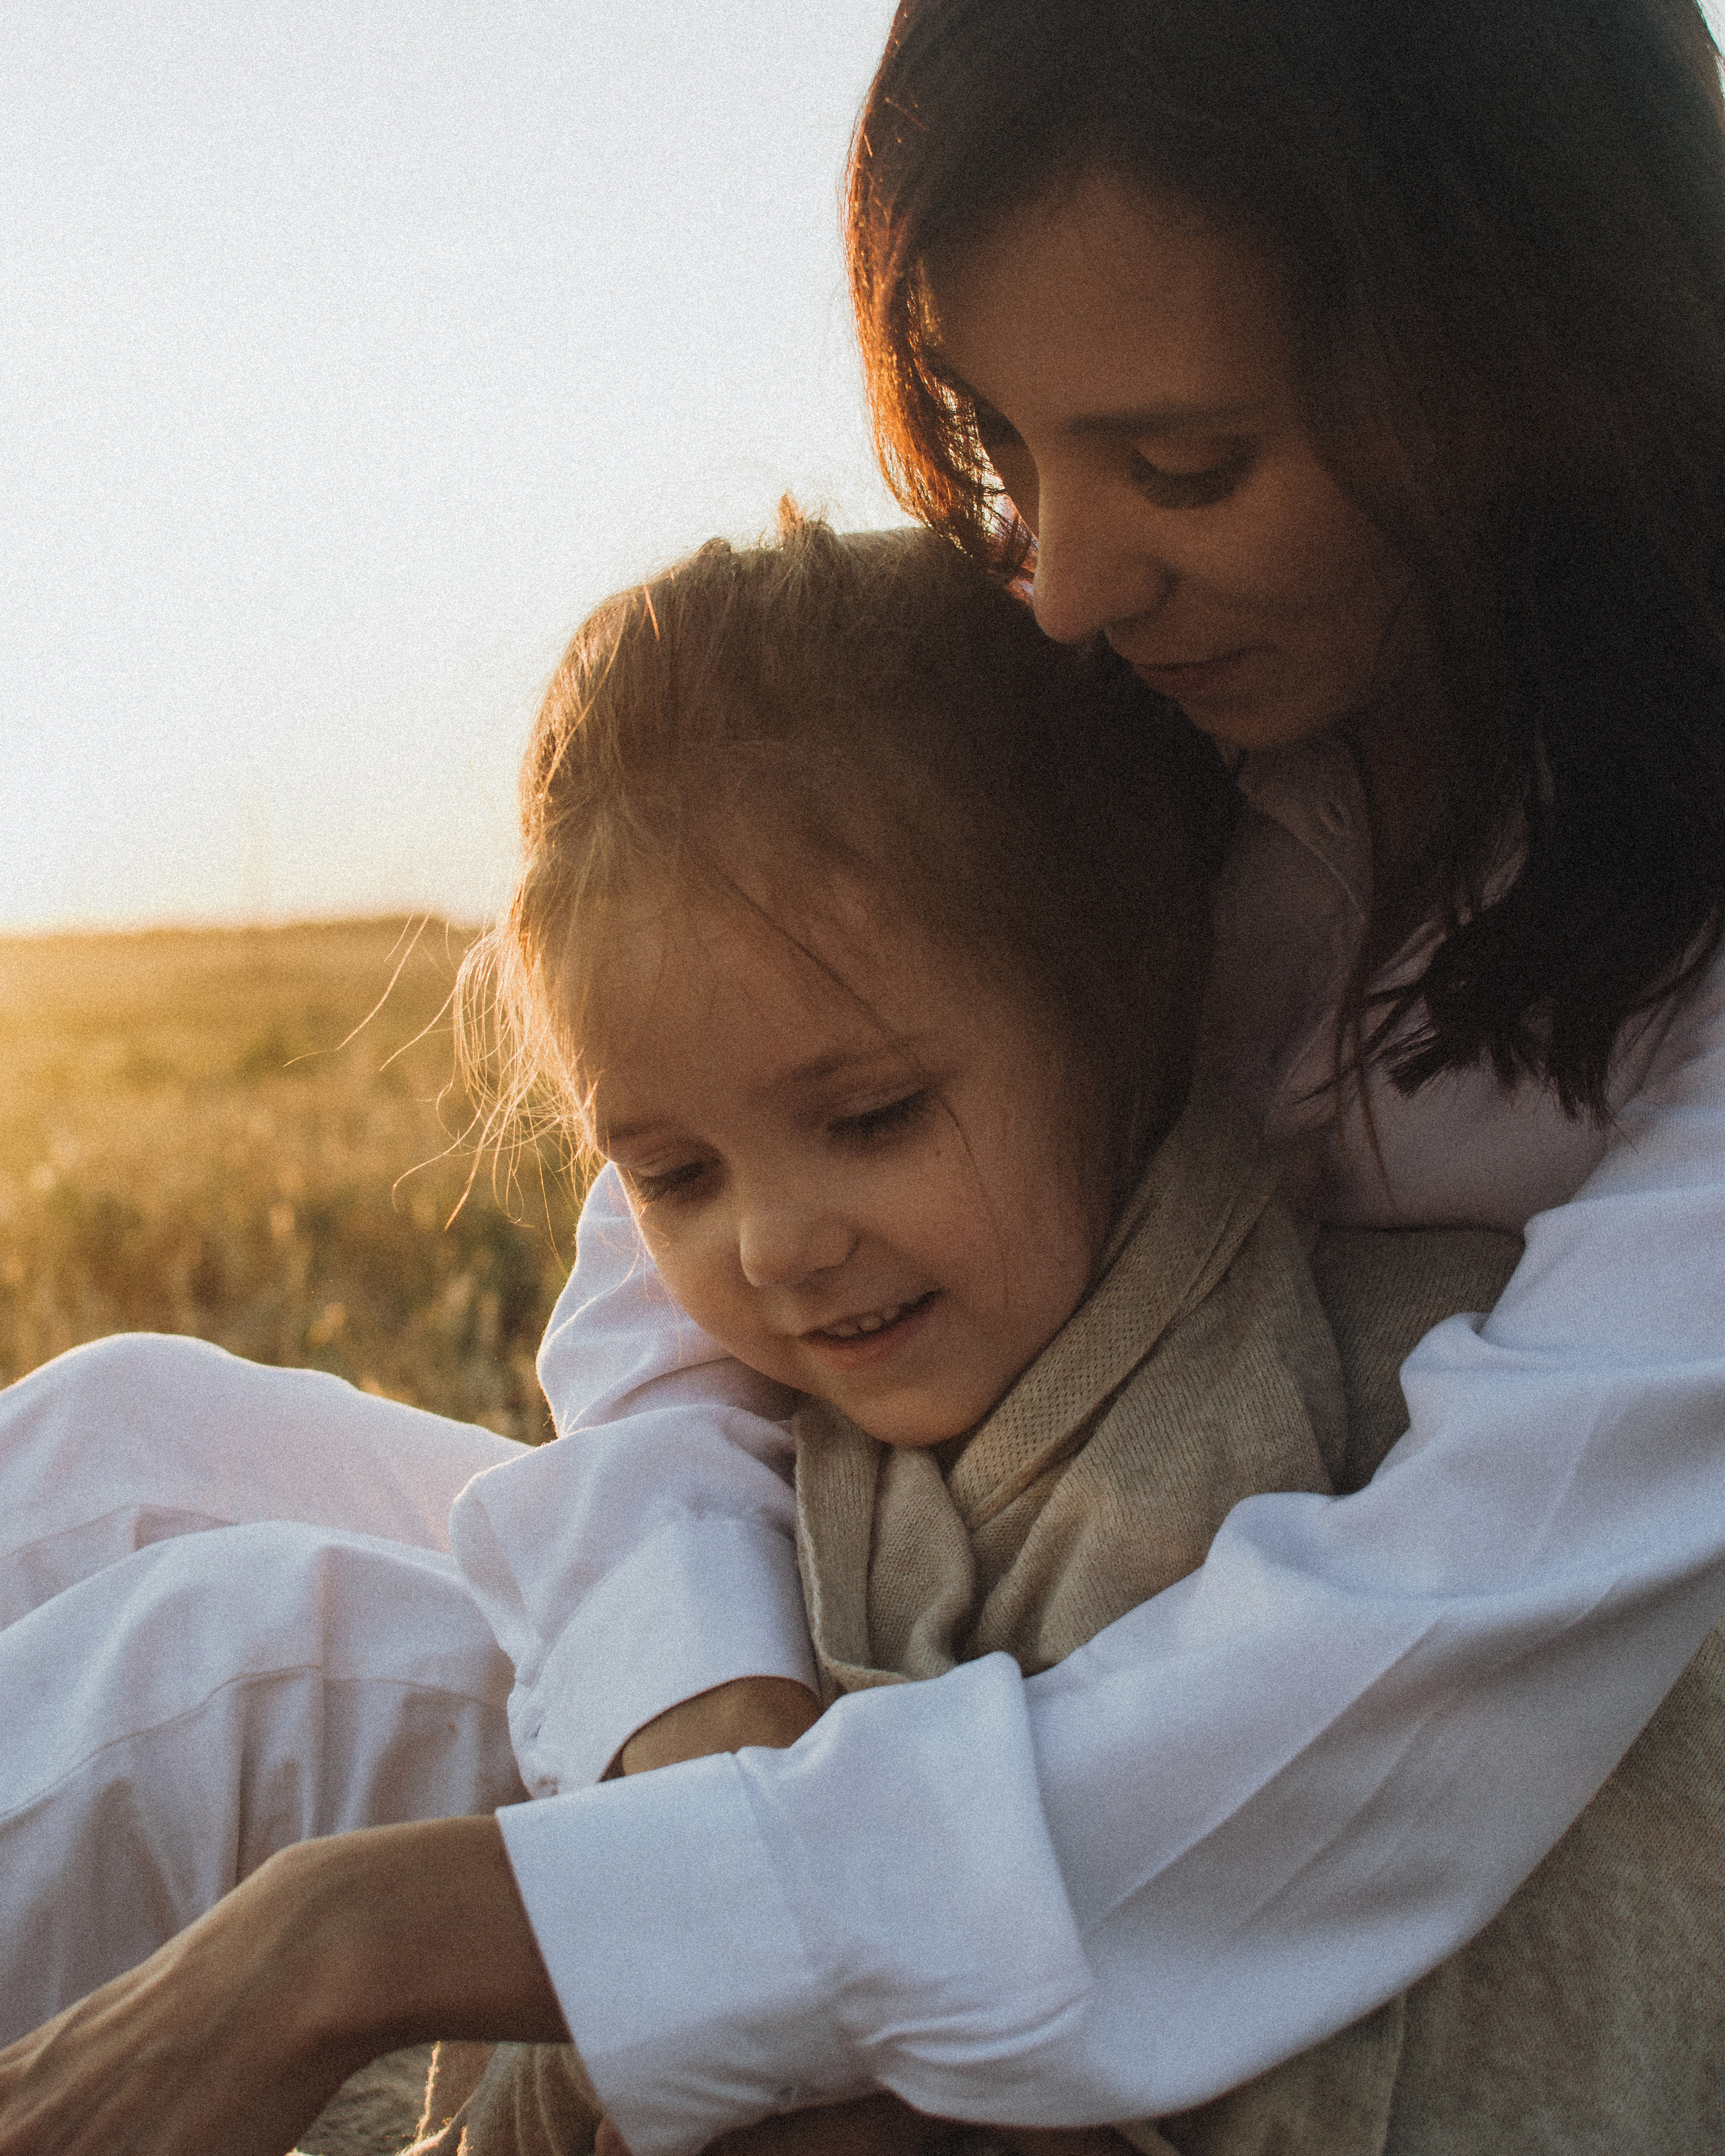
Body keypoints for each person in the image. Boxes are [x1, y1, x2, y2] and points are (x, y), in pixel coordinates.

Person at [3, 0, 1725, 2151]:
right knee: (105, 1439)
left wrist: (373, 1937)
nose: (1067, 587)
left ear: (1533, 372)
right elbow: (682, 1242)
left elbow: (1350, 1747)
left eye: (1187, 465)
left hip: (1273, 1860)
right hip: (898, 1645)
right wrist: (710, 1730)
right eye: (1010, 449)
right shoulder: (1177, 684)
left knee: (225, 1678)